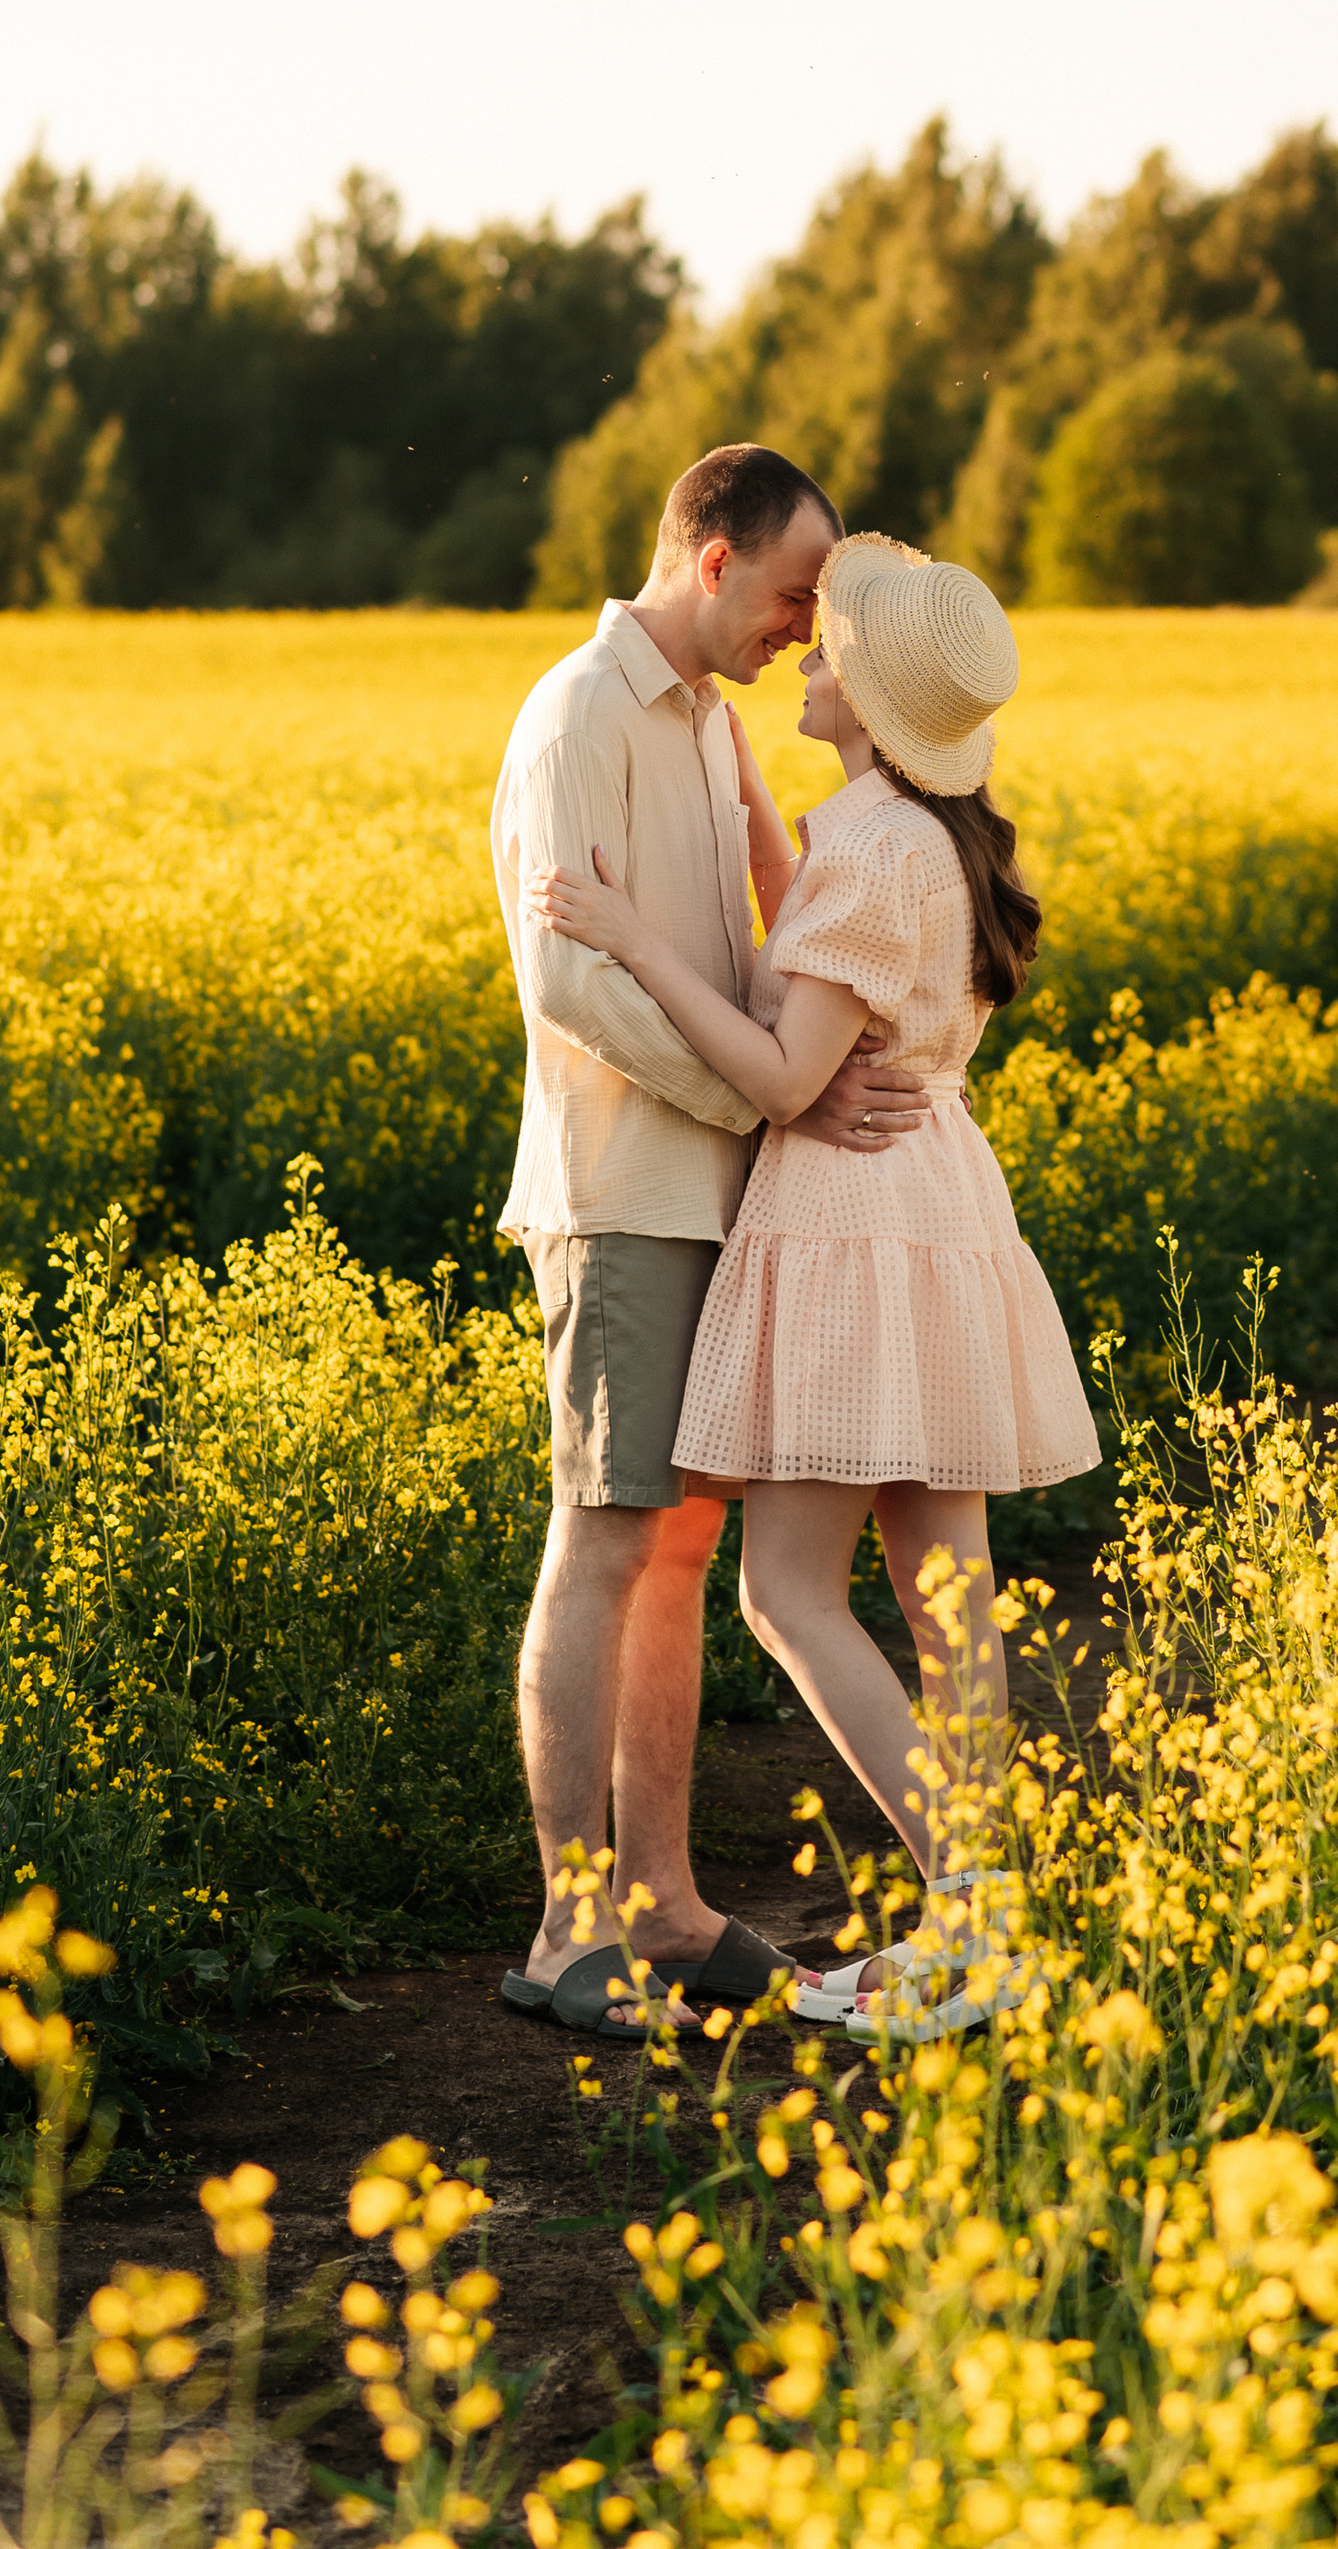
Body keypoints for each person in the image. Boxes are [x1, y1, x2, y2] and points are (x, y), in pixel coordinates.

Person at [529, 531, 1101, 2042]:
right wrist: (757, 826)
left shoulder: (873, 845)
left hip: (850, 1218)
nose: (799, 637)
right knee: (947, 1596)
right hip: (942, 1210)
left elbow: (790, 1070)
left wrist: (635, 931)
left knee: (787, 1593)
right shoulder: (926, 832)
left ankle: (971, 1918)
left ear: (855, 683)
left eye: (820, 629)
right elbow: (826, 951)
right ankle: (986, 1932)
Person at [492, 444, 937, 2039]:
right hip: (622, 1190)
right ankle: (566, 1931)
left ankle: (665, 1906)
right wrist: (775, 1105)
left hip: (719, 1190)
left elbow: (749, 935)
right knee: (605, 1537)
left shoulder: (704, 727)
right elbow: (573, 987)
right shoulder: (578, 716)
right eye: (794, 592)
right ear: (708, 560)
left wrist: (785, 1099)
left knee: (678, 1544)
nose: (804, 623)